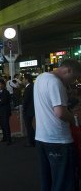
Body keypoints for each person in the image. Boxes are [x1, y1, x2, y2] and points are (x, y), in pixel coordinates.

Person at [34, 59, 81, 191]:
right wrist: (75, 120)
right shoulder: (56, 82)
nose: (73, 82)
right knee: (63, 183)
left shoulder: (40, 78)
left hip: (41, 139)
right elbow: (60, 112)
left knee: (47, 182)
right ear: (68, 70)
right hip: (58, 141)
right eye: (74, 77)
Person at [0, 79, 12, 145]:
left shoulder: (6, 92)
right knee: (1, 125)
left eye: (1, 84)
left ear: (3, 85)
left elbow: (4, 101)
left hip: (5, 112)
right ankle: (4, 138)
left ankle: (9, 140)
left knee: (6, 125)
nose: (0, 85)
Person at [22, 74, 35, 147]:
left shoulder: (28, 88)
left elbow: (26, 100)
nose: (22, 80)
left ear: (27, 79)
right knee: (29, 126)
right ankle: (32, 140)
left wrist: (23, 109)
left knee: (28, 126)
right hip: (31, 109)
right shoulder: (32, 86)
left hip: (28, 110)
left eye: (23, 79)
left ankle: (31, 141)